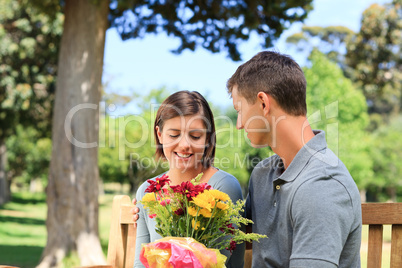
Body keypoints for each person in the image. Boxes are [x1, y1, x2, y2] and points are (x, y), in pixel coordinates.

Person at [227, 51, 362, 267]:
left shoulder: (322, 187)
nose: (239, 124)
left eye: (239, 110)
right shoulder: (263, 174)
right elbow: (230, 232)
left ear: (263, 103)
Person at [133, 90, 245, 268]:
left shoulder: (222, 187)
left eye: (195, 136)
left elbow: (216, 262)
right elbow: (142, 262)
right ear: (160, 135)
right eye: (174, 135)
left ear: (208, 138)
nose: (184, 145)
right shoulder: (147, 191)